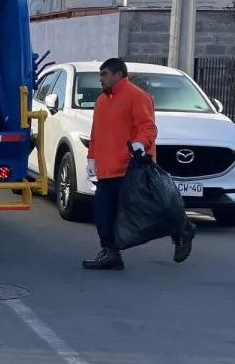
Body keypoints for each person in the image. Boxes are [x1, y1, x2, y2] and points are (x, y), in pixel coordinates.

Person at [83, 58, 195, 270]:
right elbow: (96, 132)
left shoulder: (137, 97)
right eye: (100, 74)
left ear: (118, 75)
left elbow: (148, 127)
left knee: (152, 210)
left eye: (104, 74)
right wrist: (92, 156)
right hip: (107, 169)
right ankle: (110, 253)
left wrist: (140, 144)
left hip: (131, 167)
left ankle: (182, 231)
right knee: (102, 211)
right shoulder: (101, 101)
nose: (100, 78)